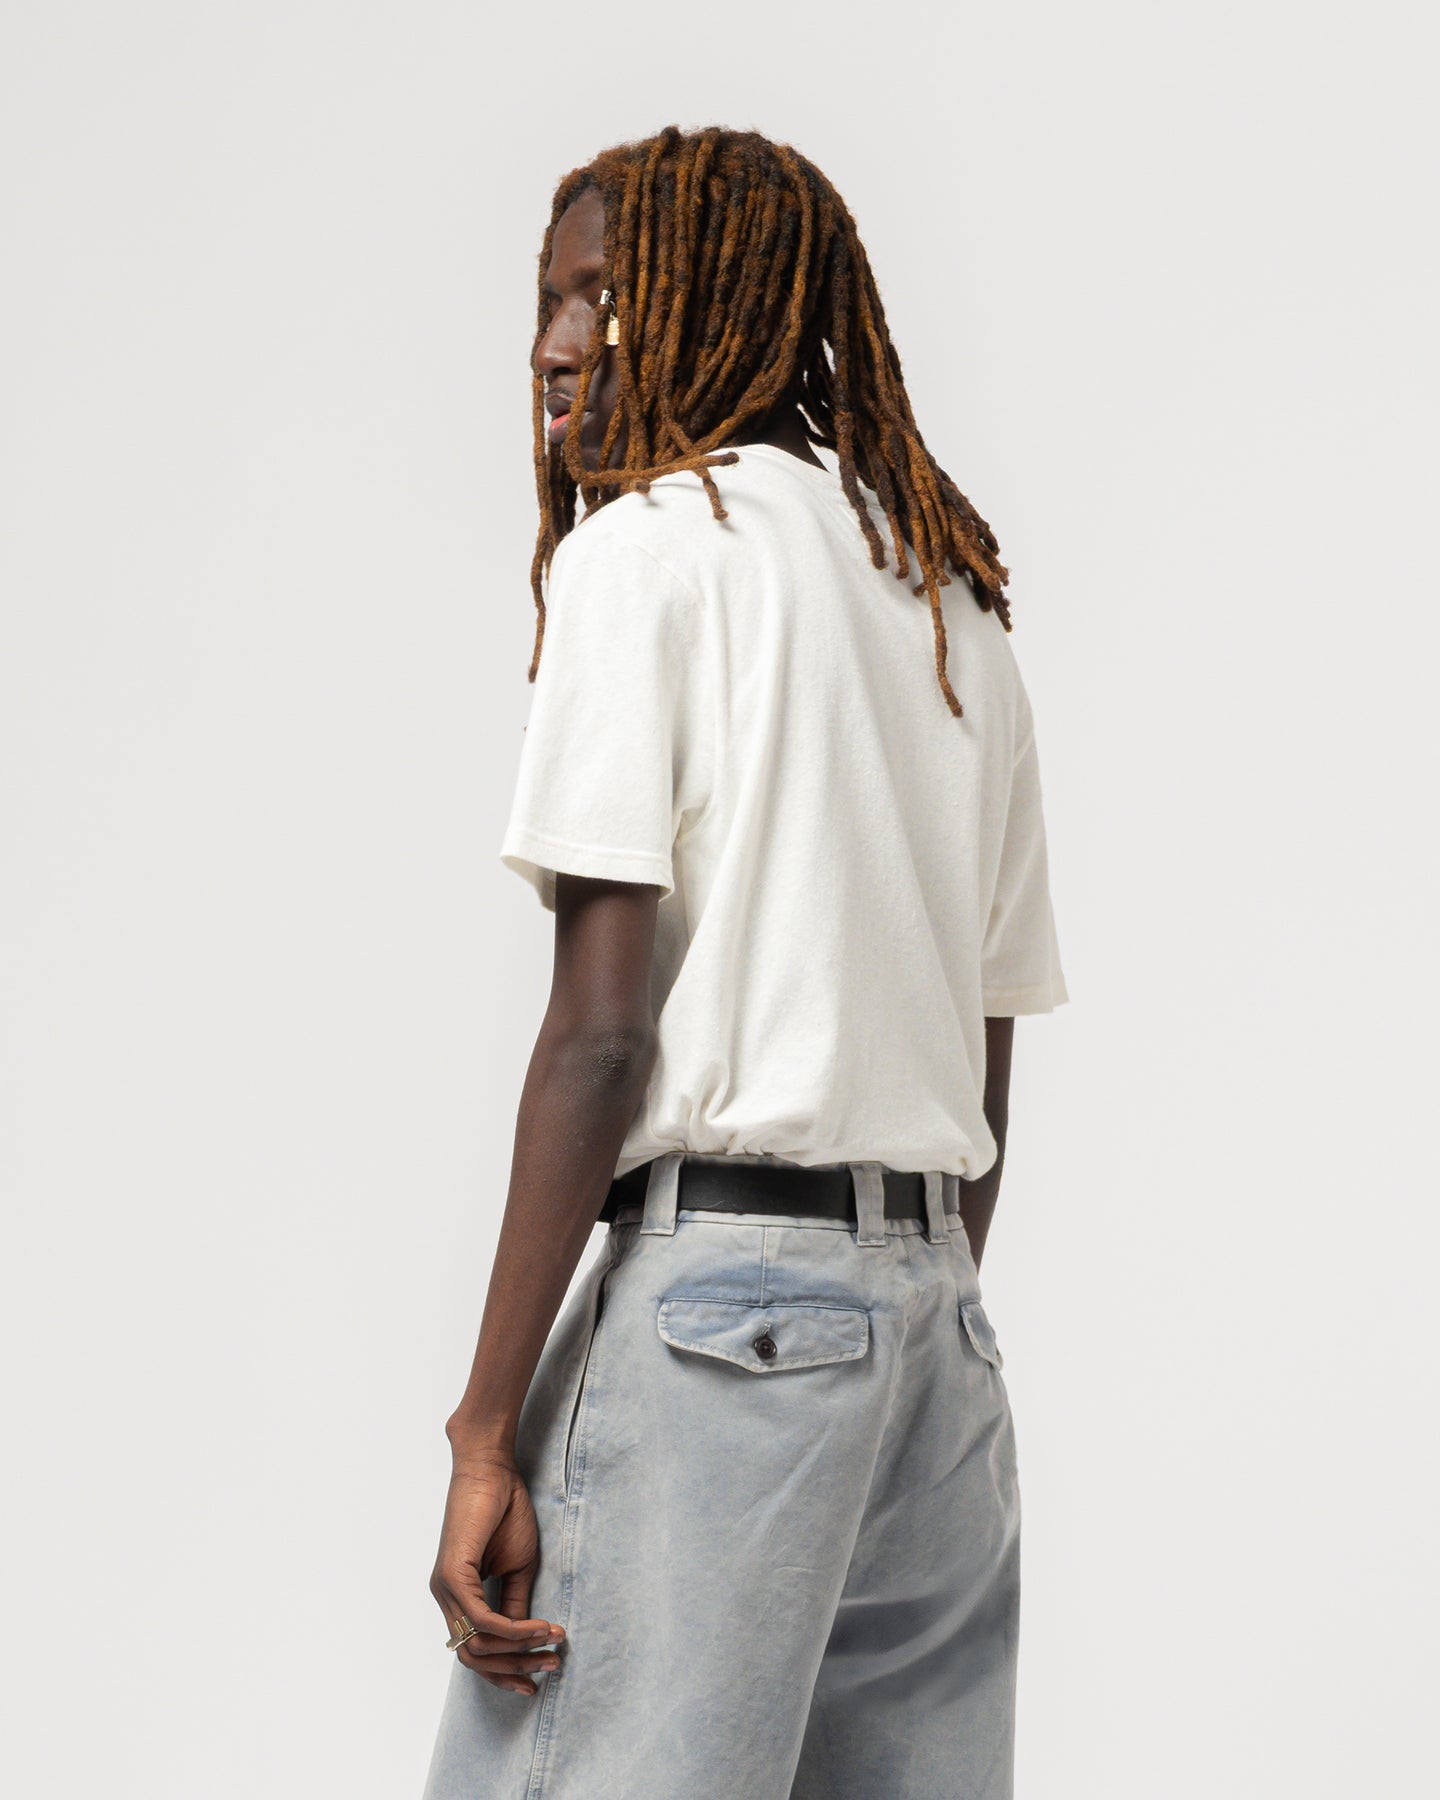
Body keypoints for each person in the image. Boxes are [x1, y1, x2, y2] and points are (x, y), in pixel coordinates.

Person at [422, 123, 1068, 1800]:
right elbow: (983, 1051)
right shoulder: (951, 605)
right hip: (937, 1346)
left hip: (725, 1334)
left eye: (605, 294)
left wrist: (486, 1426)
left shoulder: (648, 557)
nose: (558, 342)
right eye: (548, 299)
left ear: (723, 305)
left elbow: (600, 1039)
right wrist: (898, 1306)